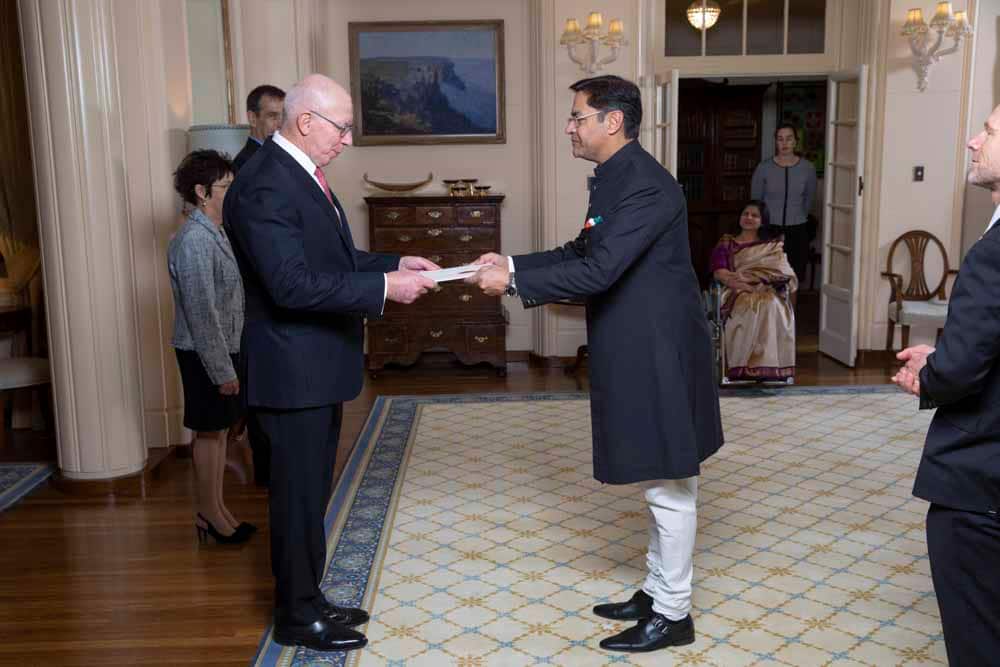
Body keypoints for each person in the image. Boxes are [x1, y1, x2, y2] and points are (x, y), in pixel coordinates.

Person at [467, 75, 723, 654]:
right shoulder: (618, 177)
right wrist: (511, 261)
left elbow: (598, 272)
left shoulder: (647, 187)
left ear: (613, 121)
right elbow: (583, 249)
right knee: (662, 476)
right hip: (638, 342)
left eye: (578, 116)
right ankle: (657, 591)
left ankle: (674, 612)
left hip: (658, 350)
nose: (569, 126)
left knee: (669, 482)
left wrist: (512, 281)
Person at [224, 73, 439, 653]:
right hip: (292, 372)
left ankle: (309, 597)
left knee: (310, 494)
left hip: (315, 368)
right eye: (342, 127)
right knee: (295, 501)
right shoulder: (265, 184)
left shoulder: (301, 176)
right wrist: (384, 289)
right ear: (306, 121)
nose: (347, 140)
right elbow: (291, 285)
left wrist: (396, 262)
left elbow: (334, 257)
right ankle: (296, 615)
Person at [892, 104, 1000, 667]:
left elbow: (961, 374)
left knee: (978, 635)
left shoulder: (994, 253)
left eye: (987, 131)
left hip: (982, 484)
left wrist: (931, 373)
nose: (972, 142)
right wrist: (950, 355)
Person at [168, 150, 255, 545]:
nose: (232, 194)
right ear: (202, 192)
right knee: (208, 434)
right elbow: (201, 314)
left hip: (224, 346)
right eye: (226, 187)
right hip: (204, 352)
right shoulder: (193, 241)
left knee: (219, 434)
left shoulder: (217, 231)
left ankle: (218, 510)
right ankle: (209, 515)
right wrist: (223, 371)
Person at [231, 83, 286, 488]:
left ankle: (273, 471)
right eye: (270, 116)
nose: (277, 123)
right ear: (252, 118)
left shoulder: (278, 160)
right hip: (258, 292)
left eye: (282, 116)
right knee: (261, 389)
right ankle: (267, 476)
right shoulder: (246, 167)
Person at [710, 200, 797, 383]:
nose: (749, 218)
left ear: (762, 221)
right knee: (748, 305)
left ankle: (770, 367)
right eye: (745, 214)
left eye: (755, 215)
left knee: (771, 304)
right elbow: (719, 271)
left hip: (766, 288)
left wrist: (756, 281)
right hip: (735, 289)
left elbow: (783, 272)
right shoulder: (727, 242)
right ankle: (743, 367)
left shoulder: (771, 246)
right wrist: (739, 282)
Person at [750, 123, 817, 283]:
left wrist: (799, 217)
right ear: (776, 142)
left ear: (795, 141)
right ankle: (772, 308)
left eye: (789, 139)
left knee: (794, 276)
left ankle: (791, 309)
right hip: (769, 230)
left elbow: (809, 199)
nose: (784, 143)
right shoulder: (763, 168)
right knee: (769, 276)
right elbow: (756, 201)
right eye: (780, 139)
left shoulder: (808, 168)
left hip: (798, 230)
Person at [233, 84, 285, 172]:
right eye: (272, 116)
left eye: (284, 116)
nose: (281, 124)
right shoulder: (245, 163)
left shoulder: (281, 155)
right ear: (252, 118)